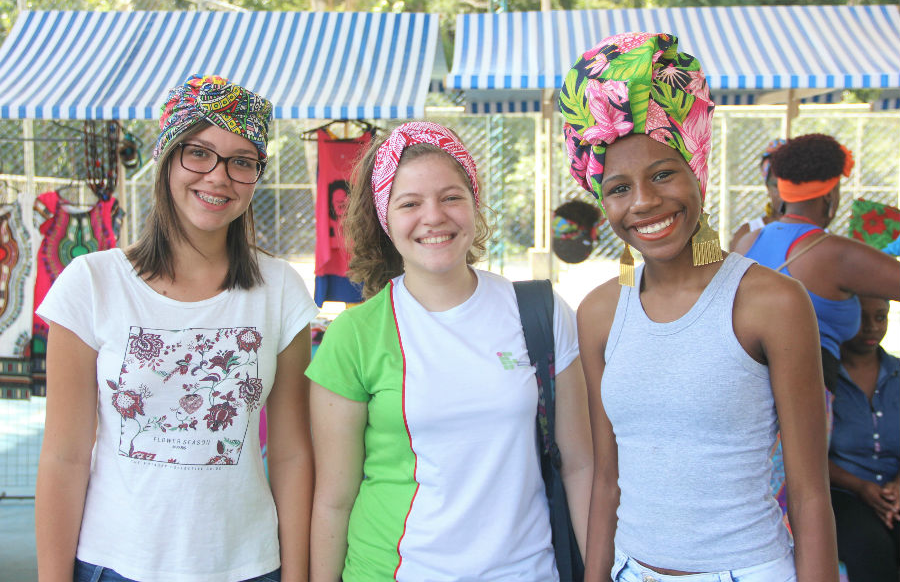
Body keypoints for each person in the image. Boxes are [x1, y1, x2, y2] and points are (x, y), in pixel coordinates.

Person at [560, 32, 838, 582]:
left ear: (698, 171)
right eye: (618, 188)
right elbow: (607, 482)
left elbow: (810, 494)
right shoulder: (598, 313)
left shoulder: (771, 302)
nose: (644, 202)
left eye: (663, 174)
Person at [35, 74, 319, 582]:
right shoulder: (92, 284)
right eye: (199, 153)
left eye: (242, 161)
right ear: (167, 158)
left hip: (249, 566)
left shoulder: (280, 290)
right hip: (114, 566)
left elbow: (293, 454)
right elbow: (64, 457)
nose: (218, 176)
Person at [306, 121, 593, 581]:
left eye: (451, 197)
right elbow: (334, 500)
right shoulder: (354, 336)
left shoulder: (540, 312)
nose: (434, 217)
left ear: (474, 204)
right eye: (409, 203)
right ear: (384, 218)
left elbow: (580, 466)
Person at [734, 133, 900, 391]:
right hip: (807, 398)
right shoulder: (834, 253)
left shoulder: (748, 241)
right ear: (830, 194)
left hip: (746, 393)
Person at [830, 296, 900, 582]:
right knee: (870, 549)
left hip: (894, 491)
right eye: (861, 317)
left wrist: (897, 487)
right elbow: (807, 454)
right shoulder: (823, 377)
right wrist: (861, 487)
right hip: (843, 493)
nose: (872, 327)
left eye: (880, 317)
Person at [728, 138, 785, 250]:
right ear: (767, 188)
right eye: (777, 186)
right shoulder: (748, 232)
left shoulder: (816, 233)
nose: (784, 192)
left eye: (791, 186)